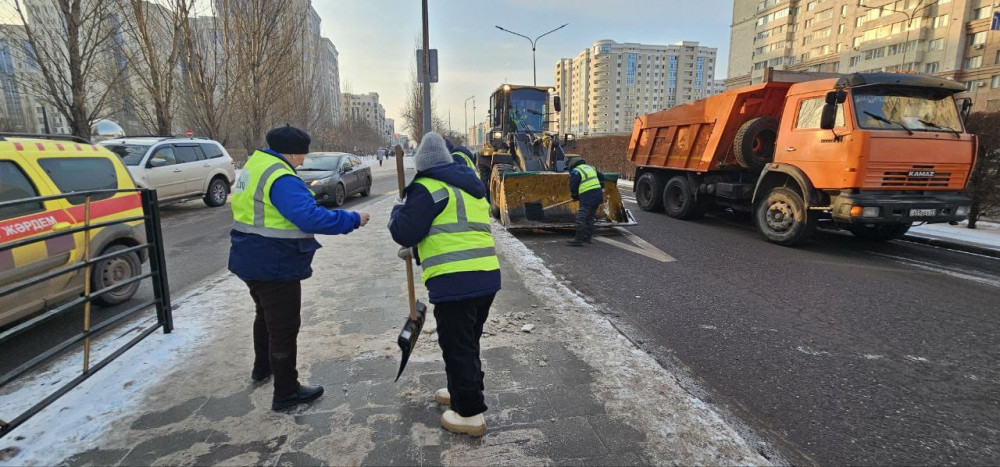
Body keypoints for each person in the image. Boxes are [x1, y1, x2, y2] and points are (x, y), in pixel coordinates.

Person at [229, 125, 370, 412]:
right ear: (291, 152)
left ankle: (263, 368)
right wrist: (352, 219)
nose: (303, 161)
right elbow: (308, 218)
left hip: (249, 256)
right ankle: (286, 391)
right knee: (284, 326)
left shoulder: (256, 165)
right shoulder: (281, 176)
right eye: (301, 155)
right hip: (275, 262)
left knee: (264, 316)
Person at [388, 132, 501, 437]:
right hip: (486, 277)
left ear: (422, 165)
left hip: (456, 283)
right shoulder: (471, 188)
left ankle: (469, 414)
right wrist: (417, 250)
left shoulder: (427, 188)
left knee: (457, 348)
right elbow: (455, 231)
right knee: (467, 343)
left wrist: (398, 209)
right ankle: (460, 391)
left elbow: (403, 230)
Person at [565, 156, 604, 246]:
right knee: (590, 217)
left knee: (581, 218)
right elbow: (601, 176)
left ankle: (578, 239)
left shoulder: (576, 171)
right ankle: (588, 237)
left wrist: (574, 196)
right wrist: (602, 188)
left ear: (571, 164)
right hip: (597, 195)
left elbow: (573, 186)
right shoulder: (591, 168)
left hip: (587, 197)